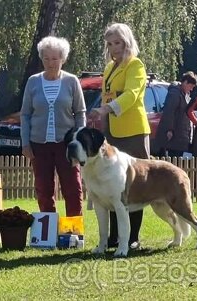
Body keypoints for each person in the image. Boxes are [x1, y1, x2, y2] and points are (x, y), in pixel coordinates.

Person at [88, 23, 150, 250]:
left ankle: (132, 237)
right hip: (112, 132)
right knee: (112, 187)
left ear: (127, 41)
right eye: (110, 44)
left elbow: (132, 95)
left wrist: (108, 107)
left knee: (135, 185)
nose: (114, 48)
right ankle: (114, 237)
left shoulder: (135, 65)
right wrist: (99, 114)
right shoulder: (109, 68)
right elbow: (107, 95)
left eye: (118, 43)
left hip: (134, 131)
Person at [20, 36, 86, 217]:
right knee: (43, 188)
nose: (51, 63)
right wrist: (25, 143)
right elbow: (25, 114)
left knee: (72, 187)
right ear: (41, 59)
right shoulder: (33, 81)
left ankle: (73, 231)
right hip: (38, 144)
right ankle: (48, 231)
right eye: (46, 58)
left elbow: (80, 113)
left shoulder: (72, 81)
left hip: (66, 145)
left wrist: (78, 143)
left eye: (55, 58)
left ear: (63, 59)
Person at [155, 71, 197, 157]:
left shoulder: (184, 94)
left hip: (180, 136)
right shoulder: (174, 94)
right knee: (174, 160)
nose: (191, 89)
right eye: (191, 86)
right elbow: (169, 112)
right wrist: (169, 130)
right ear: (185, 82)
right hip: (174, 137)